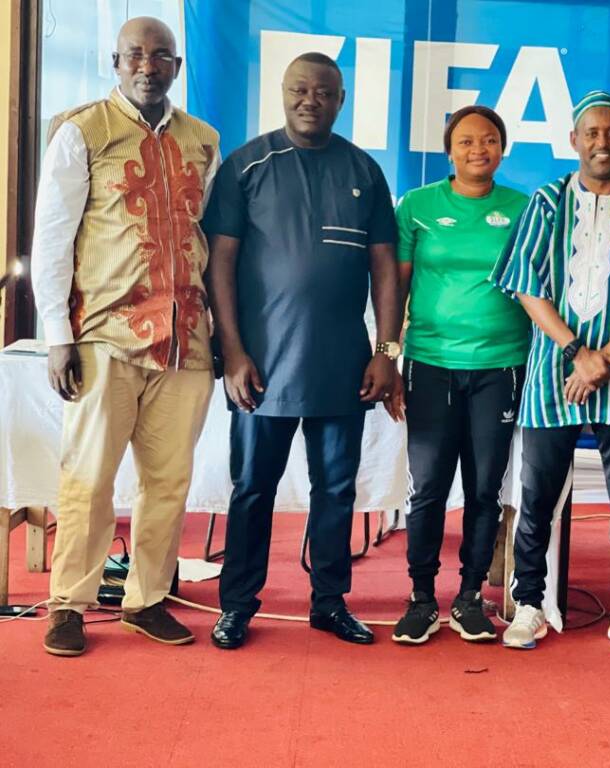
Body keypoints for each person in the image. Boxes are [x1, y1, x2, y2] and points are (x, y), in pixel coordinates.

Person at [31, 17, 219, 656]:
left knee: (168, 481)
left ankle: (146, 598)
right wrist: (58, 334)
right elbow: (52, 238)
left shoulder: (203, 140)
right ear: (115, 62)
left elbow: (212, 244)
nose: (147, 65)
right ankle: (69, 604)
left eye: (160, 55)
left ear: (177, 66)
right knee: (88, 477)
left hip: (187, 341)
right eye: (135, 55)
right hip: (103, 334)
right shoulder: (82, 131)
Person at [203, 53, 401, 650]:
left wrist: (386, 351)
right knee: (252, 489)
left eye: (323, 91)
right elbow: (220, 263)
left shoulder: (364, 171)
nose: (309, 100)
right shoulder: (247, 165)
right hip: (261, 367)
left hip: (344, 365)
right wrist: (231, 351)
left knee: (336, 489)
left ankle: (330, 602)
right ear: (283, 94)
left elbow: (387, 271)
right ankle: (237, 605)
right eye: (298, 89)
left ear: (341, 100)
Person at [491, 91, 610, 656]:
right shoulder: (548, 201)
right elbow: (527, 286)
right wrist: (578, 350)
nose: (602, 143)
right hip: (554, 375)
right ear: (574, 141)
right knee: (537, 497)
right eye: (591, 133)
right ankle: (529, 604)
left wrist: (606, 358)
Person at [390, 106, 530, 644]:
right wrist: (390, 353)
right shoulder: (419, 206)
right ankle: (421, 597)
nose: (479, 149)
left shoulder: (522, 208)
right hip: (430, 363)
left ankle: (471, 596)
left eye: (490, 140)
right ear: (449, 150)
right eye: (467, 141)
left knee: (484, 488)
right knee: (427, 488)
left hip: (500, 366)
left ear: (502, 148)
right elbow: (396, 288)